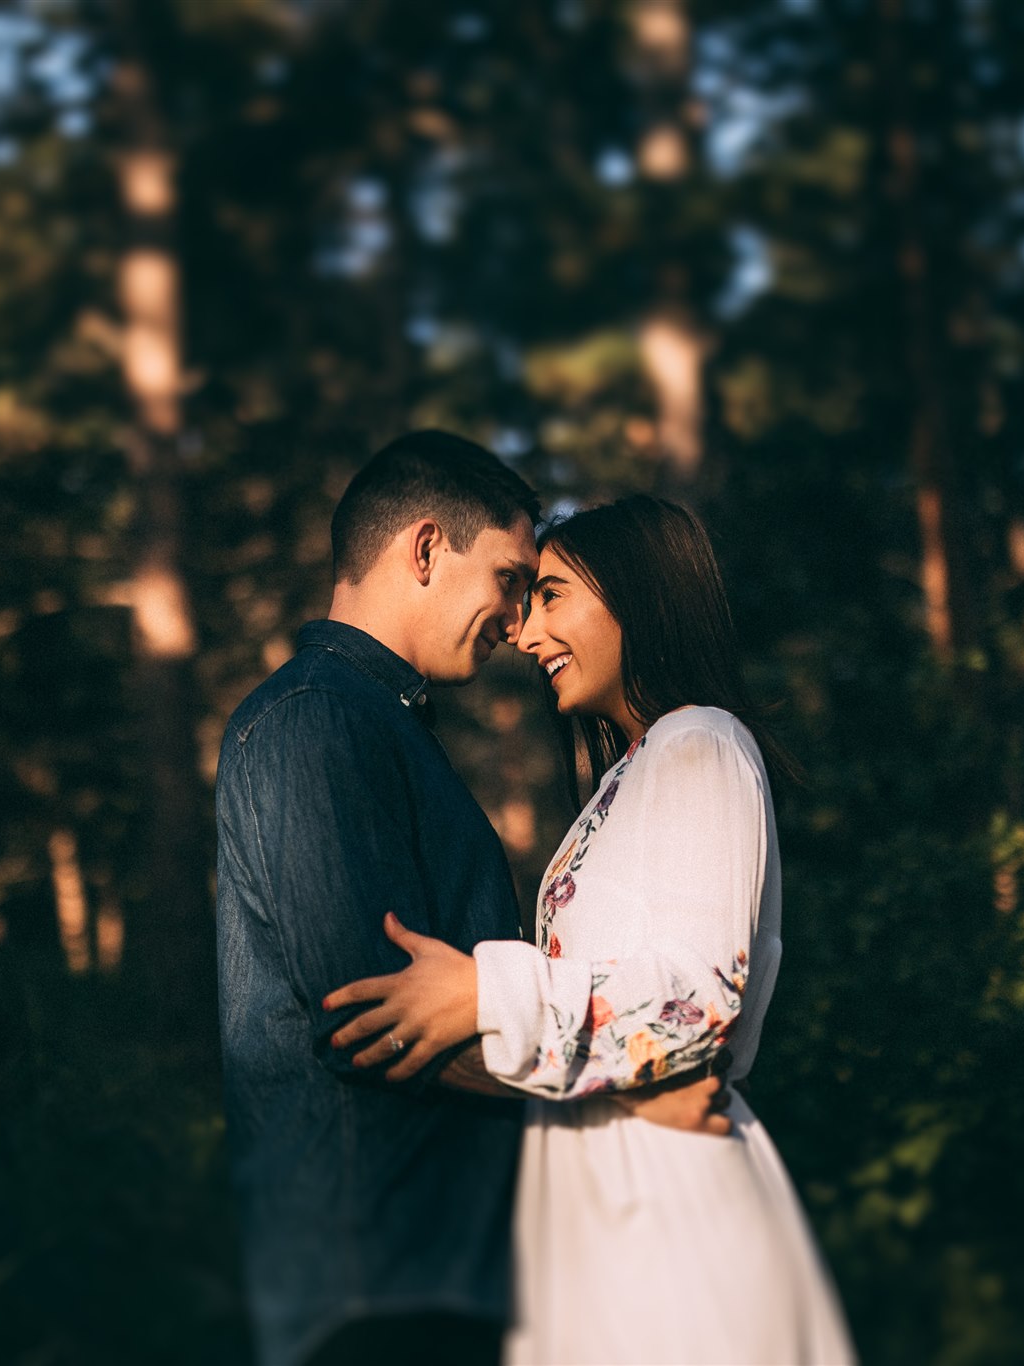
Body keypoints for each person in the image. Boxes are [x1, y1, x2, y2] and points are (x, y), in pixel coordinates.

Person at [214, 435, 725, 1366]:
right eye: (508, 576)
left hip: (426, 1264)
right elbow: (374, 1016)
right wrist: (632, 1104)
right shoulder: (319, 720)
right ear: (422, 549)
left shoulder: (373, 725)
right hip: (381, 1272)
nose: (517, 620)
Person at [325, 495, 859, 1364]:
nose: (528, 635)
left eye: (553, 596)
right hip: (599, 1193)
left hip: (663, 1201)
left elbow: (697, 1000)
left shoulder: (701, 744)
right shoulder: (631, 775)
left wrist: (481, 991)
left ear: (639, 598)